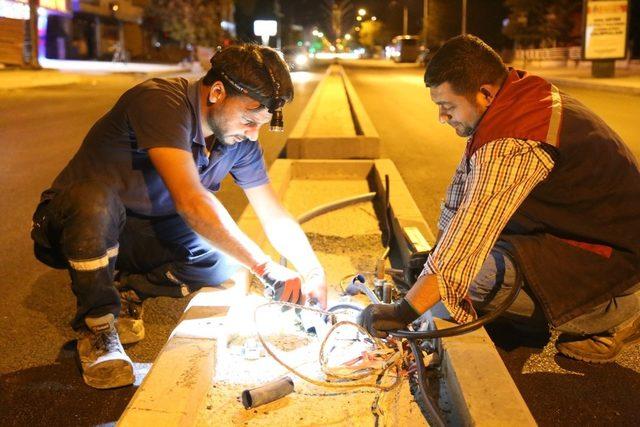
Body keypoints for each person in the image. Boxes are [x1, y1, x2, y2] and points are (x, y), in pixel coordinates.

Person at [31, 44, 327, 389]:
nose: (252, 133)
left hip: (139, 232)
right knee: (95, 199)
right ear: (217, 92)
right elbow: (191, 201)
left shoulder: (239, 142)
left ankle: (128, 292)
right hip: (74, 223)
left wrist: (311, 270)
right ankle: (97, 328)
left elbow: (272, 213)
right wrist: (265, 267)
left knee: (224, 261)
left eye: (260, 125)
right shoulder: (161, 101)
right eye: (248, 119)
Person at [360, 35, 640, 364]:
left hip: (613, 263)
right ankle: (536, 317)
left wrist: (401, 312)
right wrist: (433, 264)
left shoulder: (516, 137)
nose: (442, 118)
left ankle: (616, 313)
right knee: (435, 273)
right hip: (570, 237)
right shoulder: (512, 98)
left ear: (485, 93)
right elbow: (463, 198)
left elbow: (465, 245)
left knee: (470, 282)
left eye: (448, 107)